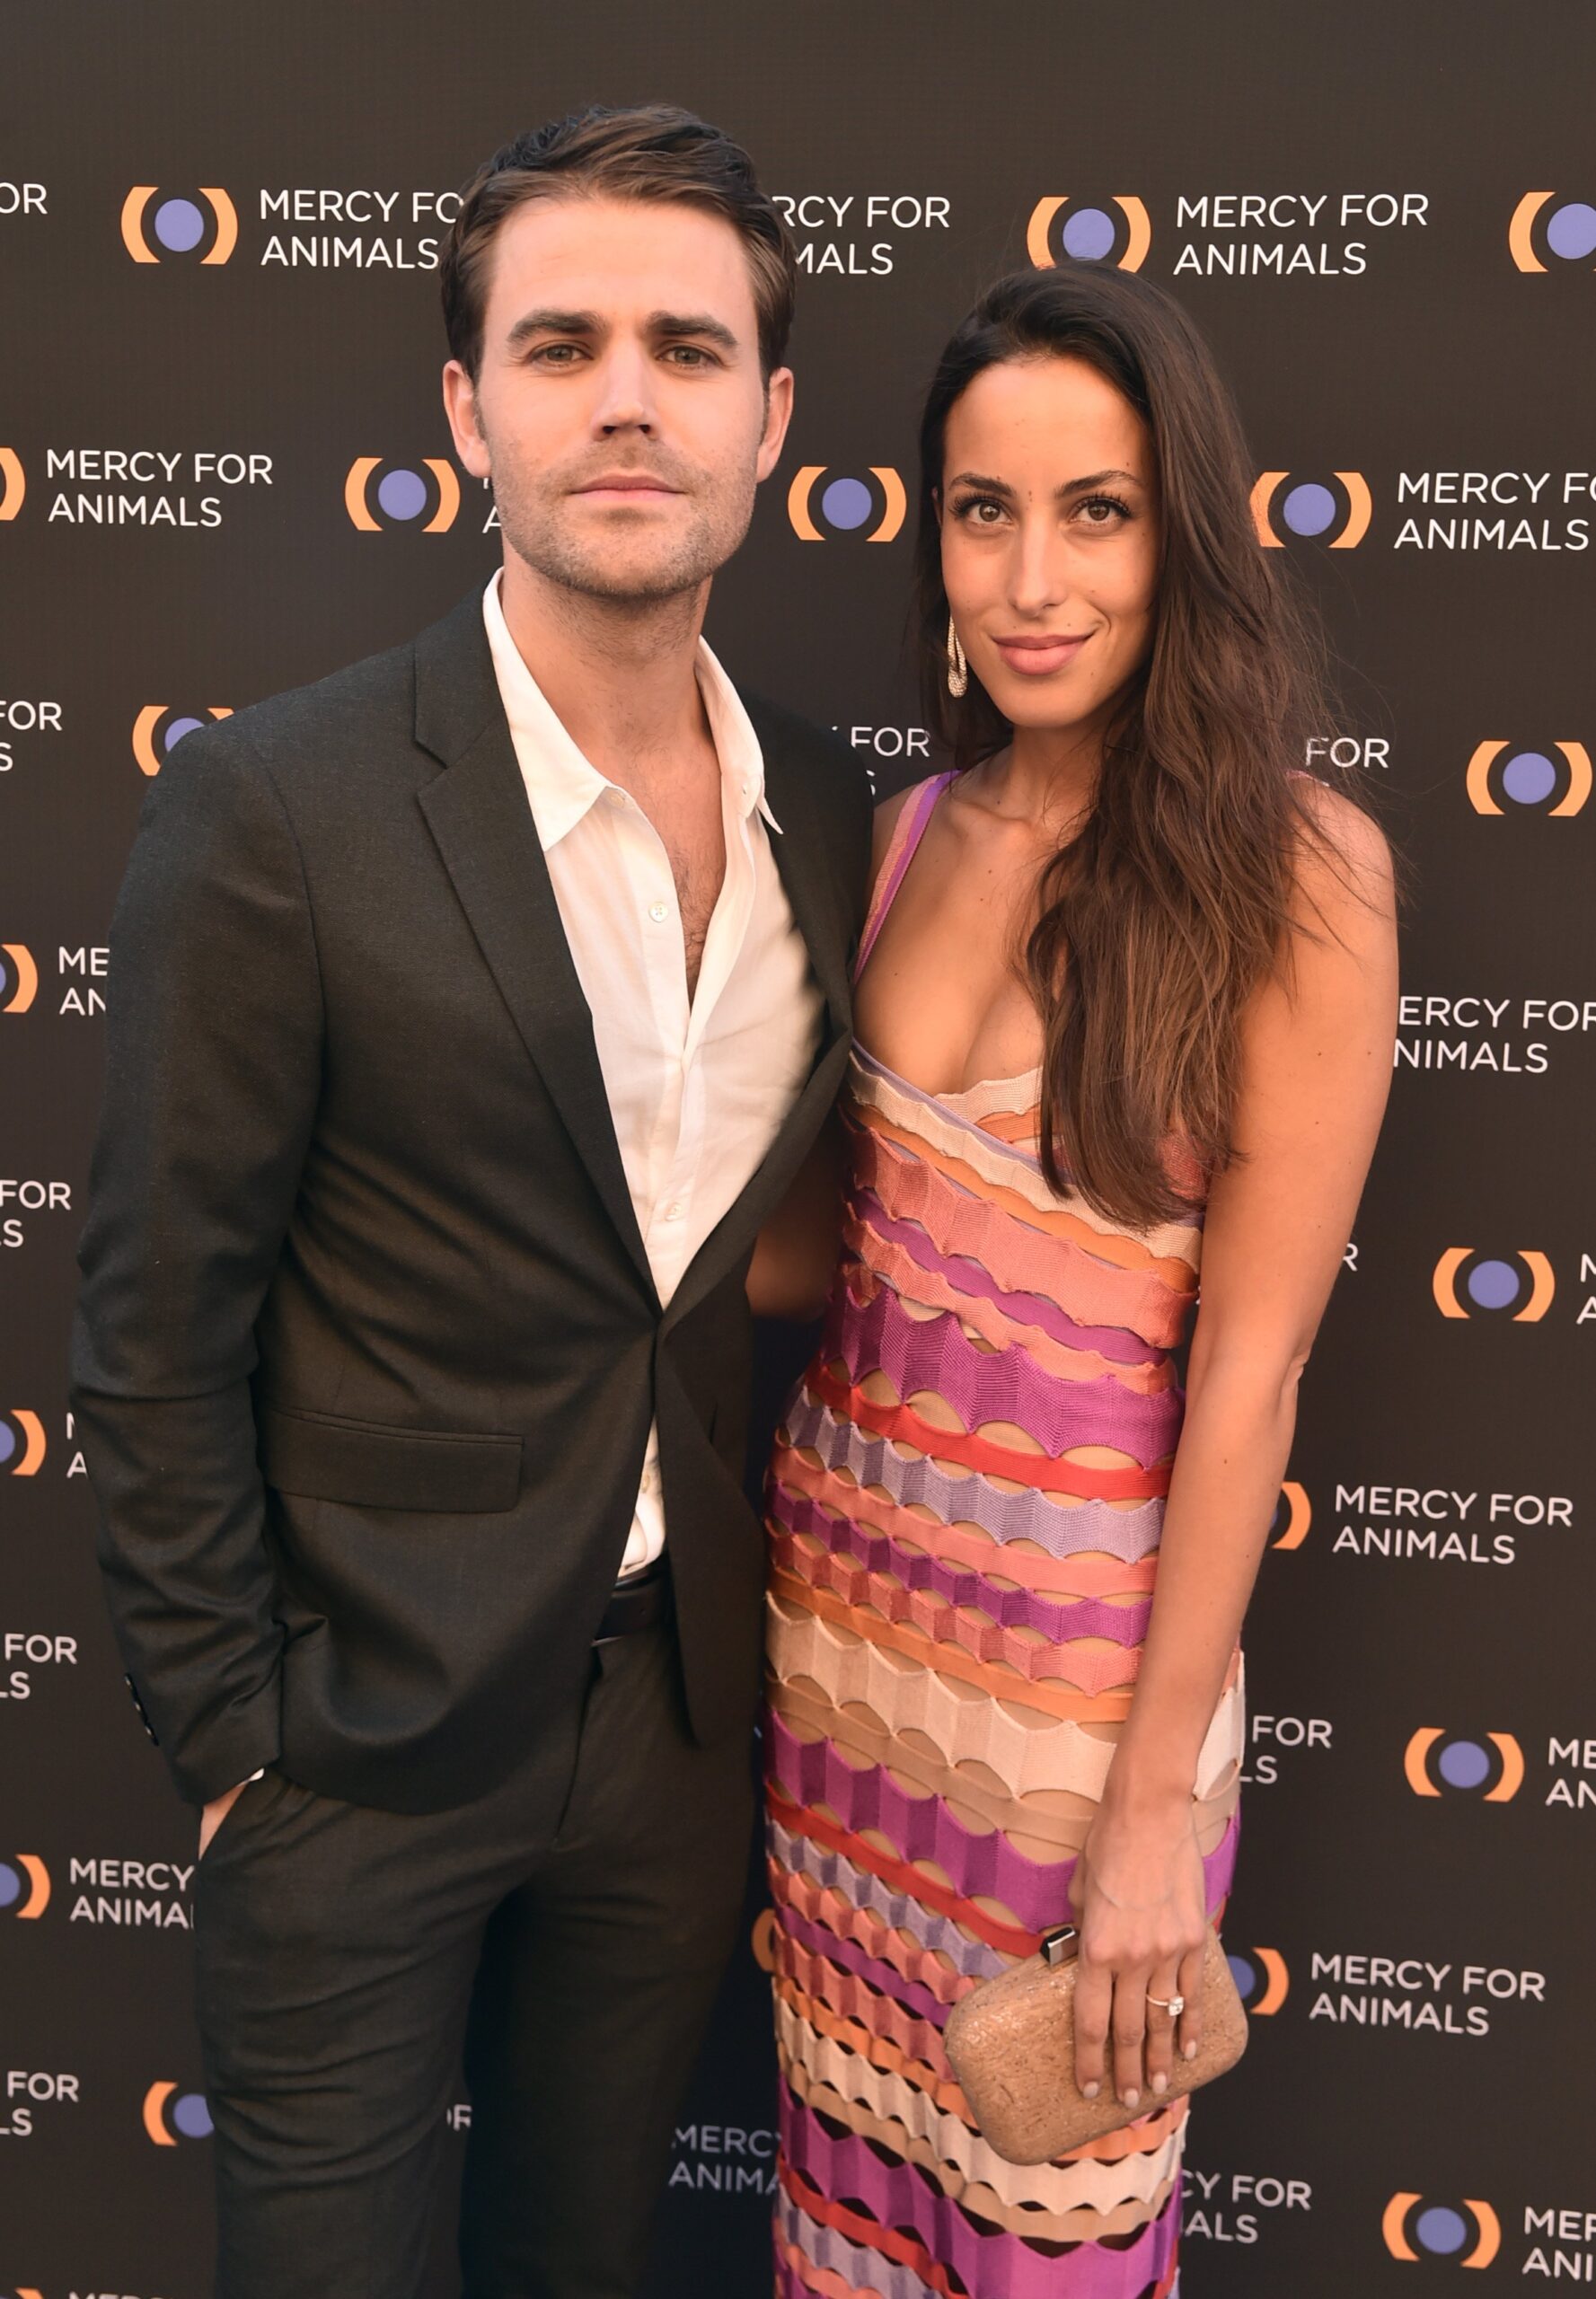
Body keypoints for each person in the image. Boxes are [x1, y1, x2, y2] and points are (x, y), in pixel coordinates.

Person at [70, 104, 869, 2299]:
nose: (628, 396)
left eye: (689, 350)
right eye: (564, 342)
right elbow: (152, 1318)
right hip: (355, 1739)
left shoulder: (828, 794)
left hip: (678, 1737)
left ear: (771, 415)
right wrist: (237, 1743)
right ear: (467, 406)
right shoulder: (278, 800)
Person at [754, 264, 1398, 2297]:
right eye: (981, 509)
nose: (1032, 576)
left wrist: (1142, 1820)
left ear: (1178, 534)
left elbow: (1253, 1375)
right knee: (845, 2225)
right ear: (929, 537)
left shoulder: (1297, 873)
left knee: (1045, 2247)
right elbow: (805, 1261)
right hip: (840, 1669)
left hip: (1070, 1724)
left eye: (1095, 509)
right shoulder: (896, 833)